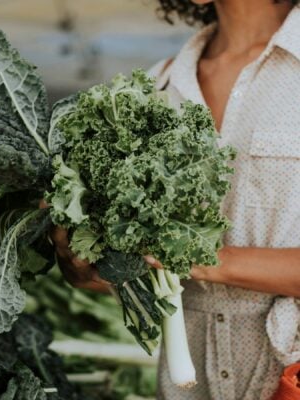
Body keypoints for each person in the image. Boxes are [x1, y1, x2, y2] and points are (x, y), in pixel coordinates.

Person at [51, 1, 300, 399]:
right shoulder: (156, 87)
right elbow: (135, 279)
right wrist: (85, 267)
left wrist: (204, 260)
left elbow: (184, 263)